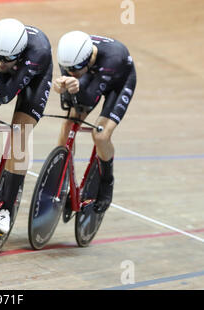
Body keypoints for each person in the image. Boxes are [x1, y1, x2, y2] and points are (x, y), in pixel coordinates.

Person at [0, 18, 53, 234]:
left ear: (20, 52)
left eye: (6, 59)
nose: (0, 63)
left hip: (34, 79)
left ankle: (6, 211)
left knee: (20, 133)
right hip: (8, 75)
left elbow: (7, 94)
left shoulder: (38, 53)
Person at [53, 31, 136, 213]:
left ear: (89, 57)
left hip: (119, 82)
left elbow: (90, 98)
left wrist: (74, 86)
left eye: (75, 69)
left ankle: (107, 182)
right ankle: (61, 178)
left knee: (100, 135)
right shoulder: (70, 56)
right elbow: (70, 98)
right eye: (68, 69)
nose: (71, 73)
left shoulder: (113, 57)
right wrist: (62, 87)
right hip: (92, 76)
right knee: (69, 125)